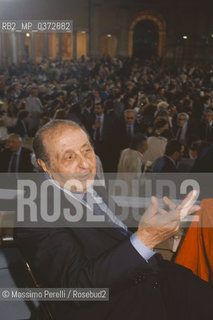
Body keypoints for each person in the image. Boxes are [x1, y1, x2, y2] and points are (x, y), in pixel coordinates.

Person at [14, 120, 213, 320]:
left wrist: (156, 223)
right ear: (45, 165)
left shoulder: (95, 188)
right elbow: (78, 288)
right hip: (114, 307)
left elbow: (116, 238)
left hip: (158, 280)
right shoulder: (34, 213)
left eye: (87, 151)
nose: (85, 163)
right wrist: (145, 239)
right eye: (69, 157)